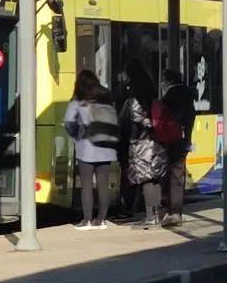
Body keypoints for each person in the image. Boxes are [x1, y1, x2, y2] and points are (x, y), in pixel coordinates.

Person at [64, 70, 118, 231]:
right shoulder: (106, 99)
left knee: (87, 184)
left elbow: (68, 121)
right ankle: (102, 220)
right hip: (106, 145)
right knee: (103, 183)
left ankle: (87, 220)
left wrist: (76, 134)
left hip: (86, 146)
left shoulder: (78, 102)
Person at [118, 59, 169, 230]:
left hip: (141, 142)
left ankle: (150, 217)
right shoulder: (152, 91)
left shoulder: (134, 95)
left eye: (125, 72)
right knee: (154, 179)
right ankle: (154, 216)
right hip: (156, 141)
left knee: (146, 180)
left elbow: (134, 118)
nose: (122, 76)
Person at [160, 68, 195, 227]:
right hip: (183, 138)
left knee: (172, 176)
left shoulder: (170, 96)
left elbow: (162, 115)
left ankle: (173, 212)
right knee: (178, 176)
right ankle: (176, 211)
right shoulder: (187, 93)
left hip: (171, 139)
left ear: (167, 81)